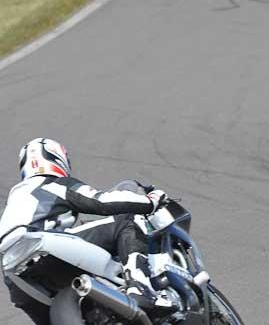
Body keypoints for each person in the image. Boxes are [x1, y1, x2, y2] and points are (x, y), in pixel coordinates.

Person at [0, 138, 173, 324]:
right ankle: (140, 288)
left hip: (13, 275)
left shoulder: (15, 198)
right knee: (126, 221)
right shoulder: (51, 184)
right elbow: (101, 202)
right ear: (57, 158)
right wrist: (151, 201)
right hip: (40, 245)